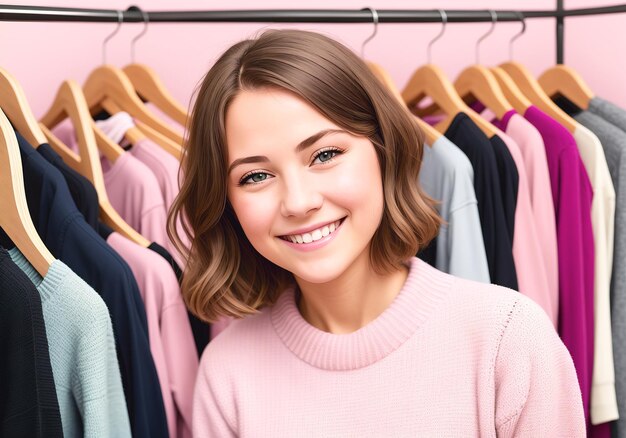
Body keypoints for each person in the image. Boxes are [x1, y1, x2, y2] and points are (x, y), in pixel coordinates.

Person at [168, 29, 585, 437]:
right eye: (256, 176)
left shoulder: (506, 339)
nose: (298, 202)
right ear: (226, 201)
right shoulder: (227, 373)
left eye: (325, 154)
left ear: (383, 149)